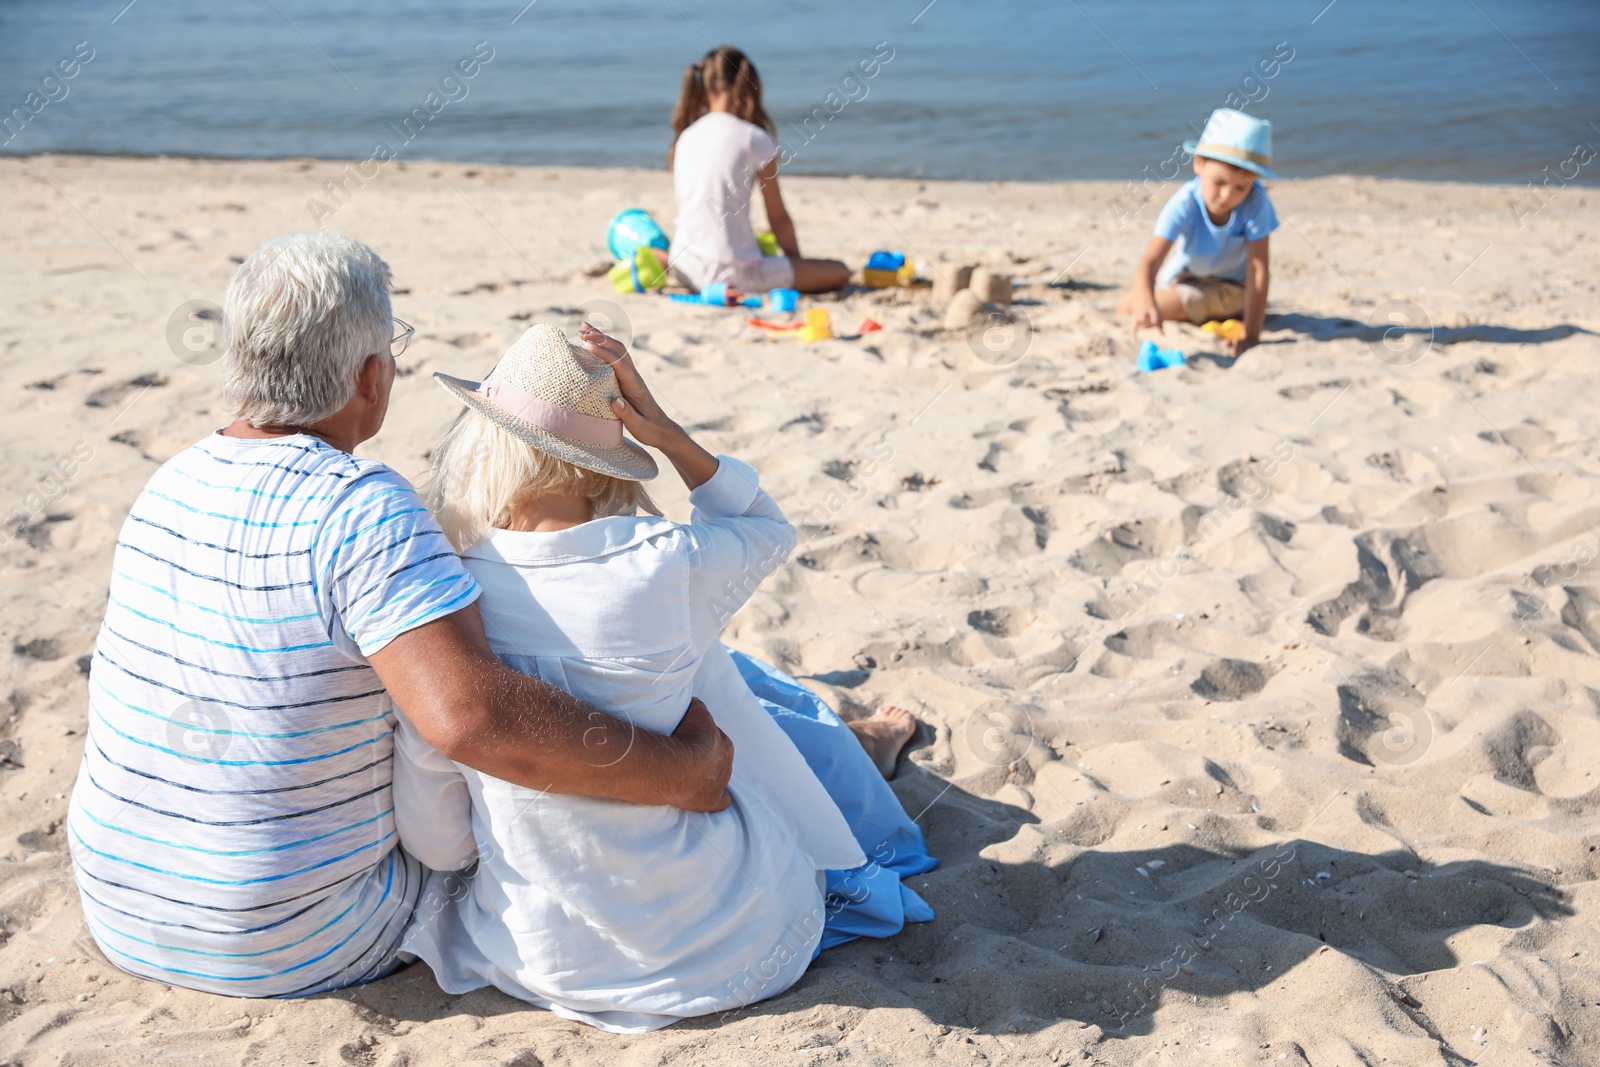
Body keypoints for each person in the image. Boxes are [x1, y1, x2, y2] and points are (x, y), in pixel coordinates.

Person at [66, 232, 736, 998]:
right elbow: (469, 717)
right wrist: (683, 772)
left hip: (120, 903)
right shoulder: (359, 505)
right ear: (370, 378)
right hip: (292, 936)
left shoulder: (169, 482)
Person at [394, 322, 933, 1032]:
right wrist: (670, 433)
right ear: (609, 451)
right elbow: (767, 528)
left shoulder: (452, 599)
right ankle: (858, 747)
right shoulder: (666, 560)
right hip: (727, 942)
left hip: (551, 957)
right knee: (715, 668)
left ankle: (856, 743)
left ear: (486, 441)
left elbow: (438, 841)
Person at [667, 46, 850, 295]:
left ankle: (660, 257)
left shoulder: (685, 137)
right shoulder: (754, 138)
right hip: (730, 276)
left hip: (683, 265)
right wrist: (796, 263)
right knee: (839, 271)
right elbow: (778, 218)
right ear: (748, 83)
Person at [1118, 109, 1280, 358]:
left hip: (1231, 287)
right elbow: (1149, 262)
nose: (1227, 196)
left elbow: (1258, 270)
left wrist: (1251, 334)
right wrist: (1146, 299)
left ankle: (1226, 310)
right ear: (1199, 163)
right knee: (1128, 306)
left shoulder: (1256, 202)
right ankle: (1201, 309)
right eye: (1219, 182)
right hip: (1186, 278)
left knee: (1154, 310)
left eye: (1240, 187)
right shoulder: (1184, 202)